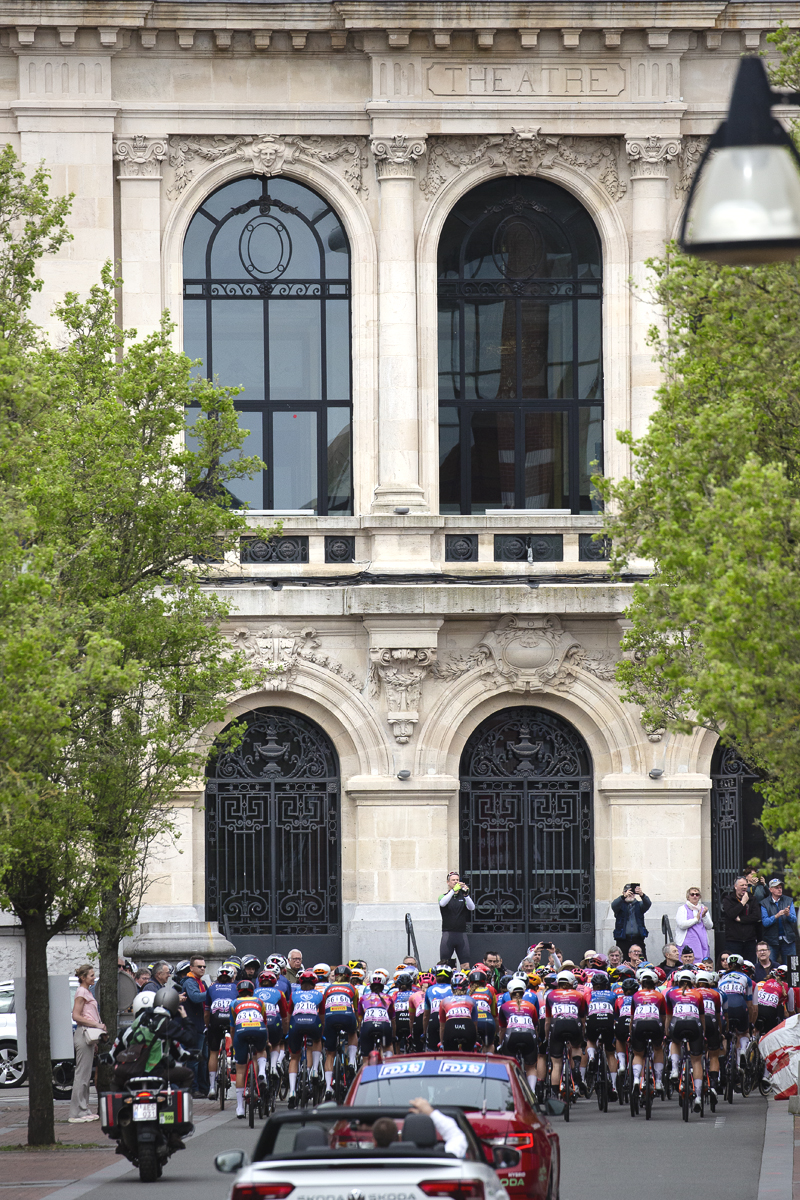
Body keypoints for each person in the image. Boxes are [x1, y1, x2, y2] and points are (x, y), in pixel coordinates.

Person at [68, 964, 106, 1124]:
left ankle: (83, 1109)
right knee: (82, 1075)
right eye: (91, 975)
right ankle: (77, 1112)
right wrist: (96, 1025)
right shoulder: (82, 992)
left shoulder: (86, 991)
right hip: (84, 1033)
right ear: (83, 977)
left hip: (88, 1035)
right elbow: (76, 1015)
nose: (93, 977)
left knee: (84, 1075)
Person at [665, 968, 706, 1112]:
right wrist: (703, 1033)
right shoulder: (698, 994)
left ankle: (675, 1069)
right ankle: (699, 1096)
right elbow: (702, 1017)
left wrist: (667, 1033)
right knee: (696, 1061)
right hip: (695, 1024)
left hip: (677, 1023)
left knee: (675, 1042)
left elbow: (668, 1017)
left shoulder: (670, 993)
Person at [230, 978, 269, 1118]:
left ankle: (240, 1108)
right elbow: (264, 1022)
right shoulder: (259, 1002)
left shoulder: (234, 1003)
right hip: (259, 1030)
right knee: (261, 1050)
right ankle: (262, 1072)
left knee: (240, 1069)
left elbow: (233, 1027)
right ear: (253, 991)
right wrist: (267, 1041)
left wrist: (233, 1044)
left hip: (241, 1032)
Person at [205, 961, 240, 1099]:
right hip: (231, 1019)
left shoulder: (211, 988)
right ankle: (235, 1060)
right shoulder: (236, 987)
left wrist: (206, 1026)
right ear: (232, 977)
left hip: (216, 1019)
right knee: (236, 1041)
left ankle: (212, 1088)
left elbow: (207, 1012)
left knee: (213, 1052)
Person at [629, 967, 666, 1096]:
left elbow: (632, 1018)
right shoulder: (660, 996)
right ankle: (659, 1081)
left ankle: (636, 1080)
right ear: (655, 982)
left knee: (638, 1054)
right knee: (658, 1048)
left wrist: (631, 1033)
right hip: (655, 1024)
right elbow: (664, 1016)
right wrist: (665, 1033)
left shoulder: (636, 995)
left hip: (639, 1024)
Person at [182, 954, 209, 1098]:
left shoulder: (201, 982)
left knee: (203, 1058)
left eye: (204, 966)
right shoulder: (190, 982)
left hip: (201, 1025)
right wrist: (212, 991)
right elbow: (195, 997)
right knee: (195, 1059)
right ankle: (194, 1088)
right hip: (193, 1026)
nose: (203, 968)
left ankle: (204, 1088)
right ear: (191, 967)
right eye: (199, 966)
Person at [438, 871, 474, 966]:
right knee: (444, 963)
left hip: (461, 934)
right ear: (448, 882)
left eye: (457, 880)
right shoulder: (443, 896)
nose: (455, 882)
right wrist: (453, 891)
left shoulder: (463, 897)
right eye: (453, 880)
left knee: (465, 964)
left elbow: (472, 907)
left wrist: (466, 895)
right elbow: (442, 903)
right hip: (448, 934)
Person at [722, 876, 762, 961]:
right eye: (742, 885)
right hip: (733, 941)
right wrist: (743, 902)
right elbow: (731, 914)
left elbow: (756, 916)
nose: (744, 887)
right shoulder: (728, 900)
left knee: (750, 966)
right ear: (735, 886)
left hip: (749, 940)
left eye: (746, 885)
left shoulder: (752, 899)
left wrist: (741, 920)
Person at [761, 879, 798, 965]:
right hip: (771, 940)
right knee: (770, 967)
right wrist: (776, 916)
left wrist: (788, 914)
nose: (779, 889)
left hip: (788, 939)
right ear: (770, 889)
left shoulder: (788, 900)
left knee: (791, 966)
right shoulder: (764, 903)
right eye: (777, 887)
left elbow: (794, 919)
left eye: (780, 887)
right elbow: (765, 922)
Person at [611, 884, 651, 960]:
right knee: (623, 961)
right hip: (623, 940)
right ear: (623, 893)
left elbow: (648, 904)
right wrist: (623, 897)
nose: (630, 894)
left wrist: (642, 895)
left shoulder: (639, 905)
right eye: (627, 892)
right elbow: (614, 905)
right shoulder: (620, 905)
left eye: (632, 892)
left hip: (638, 939)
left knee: (641, 960)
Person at [675, 887, 713, 960]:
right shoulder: (682, 909)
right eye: (692, 894)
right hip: (687, 941)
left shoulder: (703, 908)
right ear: (688, 897)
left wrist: (704, 916)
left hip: (701, 941)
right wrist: (696, 919)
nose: (695, 896)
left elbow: (710, 926)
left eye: (697, 894)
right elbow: (681, 924)